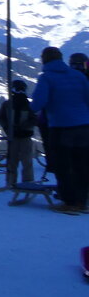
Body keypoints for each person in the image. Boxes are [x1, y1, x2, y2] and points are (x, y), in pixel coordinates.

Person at [30, 46, 89, 214]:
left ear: (44, 60)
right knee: (82, 165)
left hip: (61, 127)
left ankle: (68, 202)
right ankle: (82, 202)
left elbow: (37, 104)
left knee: (63, 166)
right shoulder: (78, 75)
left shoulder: (46, 78)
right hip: (84, 126)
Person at [0, 79, 36, 188]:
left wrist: (25, 125)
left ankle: (27, 183)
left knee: (25, 162)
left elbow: (35, 119)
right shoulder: (8, 104)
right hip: (15, 137)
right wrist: (7, 128)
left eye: (21, 89)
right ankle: (11, 183)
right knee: (13, 162)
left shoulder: (28, 105)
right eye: (18, 89)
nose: (20, 92)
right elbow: (1, 117)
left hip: (24, 137)